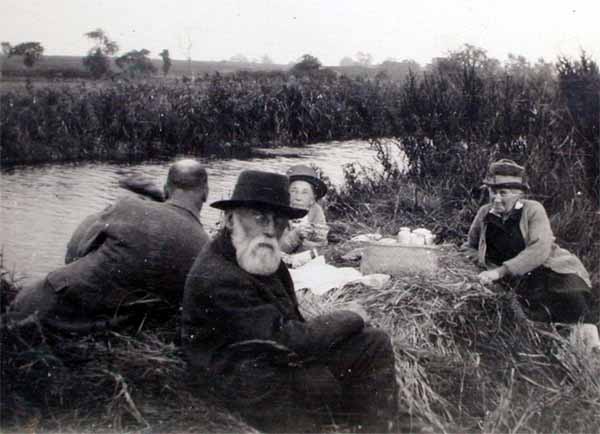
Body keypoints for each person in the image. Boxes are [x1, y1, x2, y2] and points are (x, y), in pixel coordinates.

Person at [181, 170, 400, 433]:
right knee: (321, 381)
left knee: (373, 343)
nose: (271, 230)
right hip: (237, 380)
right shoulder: (219, 275)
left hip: (267, 361)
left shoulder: (258, 254)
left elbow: (290, 324)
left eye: (279, 220)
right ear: (230, 219)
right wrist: (349, 316)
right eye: (260, 218)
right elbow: (284, 339)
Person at [8, 159, 210, 331]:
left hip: (40, 308)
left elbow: (73, 251)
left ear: (167, 189)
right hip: (96, 331)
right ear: (206, 193)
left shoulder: (129, 207)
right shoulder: (204, 249)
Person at [462, 159, 600, 351]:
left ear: (519, 194)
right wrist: (482, 263)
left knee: (573, 300)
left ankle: (588, 355)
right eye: (492, 192)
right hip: (513, 279)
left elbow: (540, 248)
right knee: (516, 316)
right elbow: (470, 246)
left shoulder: (532, 209)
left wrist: (500, 271)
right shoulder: (485, 213)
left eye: (503, 193)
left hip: (548, 270)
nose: (496, 198)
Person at [280, 165, 329, 265]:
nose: (298, 197)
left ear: (313, 198)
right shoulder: (279, 212)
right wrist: (296, 235)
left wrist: (317, 239)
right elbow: (278, 248)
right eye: (293, 191)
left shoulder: (315, 210)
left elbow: (319, 247)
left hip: (301, 261)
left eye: (305, 192)